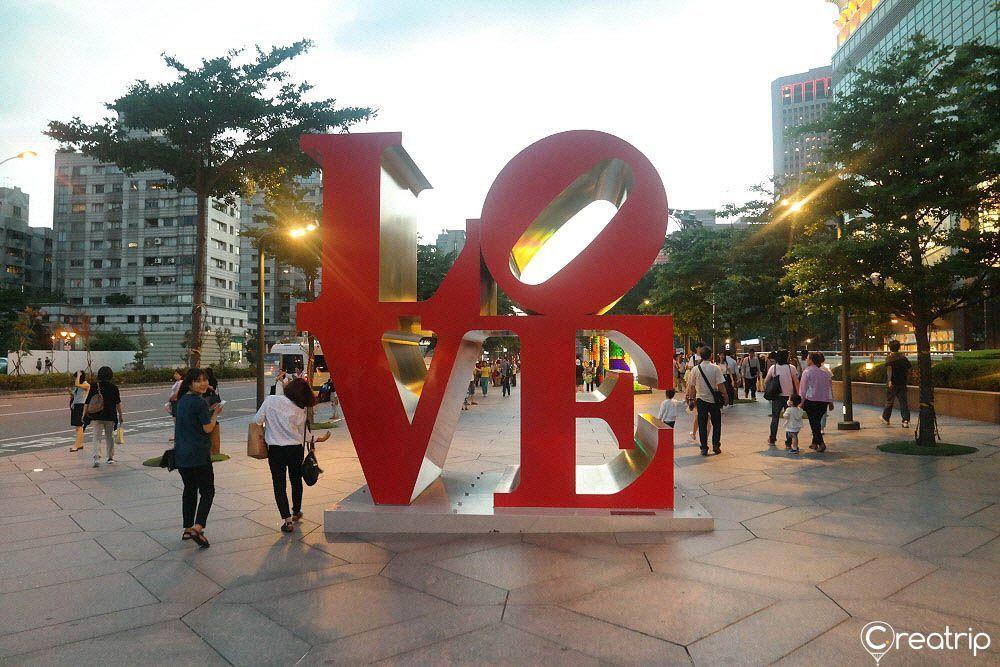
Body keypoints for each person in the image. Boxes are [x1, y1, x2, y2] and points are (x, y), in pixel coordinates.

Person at [253, 378, 331, 533]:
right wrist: (318, 439)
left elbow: (256, 421)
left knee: (279, 484)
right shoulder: (299, 410)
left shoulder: (271, 401)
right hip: (295, 450)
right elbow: (303, 435)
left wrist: (271, 426)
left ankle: (287, 520)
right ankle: (296, 511)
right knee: (296, 481)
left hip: (275, 450)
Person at [173, 368, 223, 548]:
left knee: (189, 489)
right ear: (190, 382)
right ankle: (198, 526)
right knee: (207, 491)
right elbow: (207, 429)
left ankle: (187, 528)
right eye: (198, 380)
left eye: (205, 380)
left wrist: (207, 413)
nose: (203, 383)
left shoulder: (182, 400)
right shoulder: (199, 402)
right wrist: (215, 413)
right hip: (199, 454)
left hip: (181, 454)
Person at [686, 346, 727, 455]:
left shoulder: (695, 369)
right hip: (714, 401)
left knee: (702, 424)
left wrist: (691, 399)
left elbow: (691, 387)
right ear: (711, 355)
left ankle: (704, 447)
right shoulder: (716, 368)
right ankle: (716, 445)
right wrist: (726, 396)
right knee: (716, 424)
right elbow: (721, 385)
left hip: (701, 400)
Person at [84, 366, 123, 467]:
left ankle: (97, 458)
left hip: (96, 415)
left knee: (96, 437)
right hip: (110, 415)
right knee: (109, 436)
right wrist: (120, 415)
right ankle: (110, 457)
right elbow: (117, 403)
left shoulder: (94, 386)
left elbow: (87, 401)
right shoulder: (114, 387)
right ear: (110, 375)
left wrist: (84, 414)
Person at [799, 351, 834, 452]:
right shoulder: (825, 373)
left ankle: (821, 443)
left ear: (811, 360)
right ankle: (814, 443)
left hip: (811, 400)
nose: (806, 360)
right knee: (817, 422)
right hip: (823, 401)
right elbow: (828, 388)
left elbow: (803, 389)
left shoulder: (807, 372)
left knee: (813, 423)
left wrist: (801, 402)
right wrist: (830, 401)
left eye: (808, 358)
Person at [763, 349, 799, 448]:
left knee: (775, 419)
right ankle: (788, 442)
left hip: (776, 397)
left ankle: (772, 438)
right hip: (789, 397)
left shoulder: (773, 368)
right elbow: (796, 382)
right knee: (789, 420)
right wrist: (799, 395)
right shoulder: (791, 368)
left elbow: (766, 381)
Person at [882, 339, 912, 428]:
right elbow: (909, 368)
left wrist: (889, 380)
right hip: (902, 382)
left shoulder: (889, 358)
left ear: (890, 348)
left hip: (893, 383)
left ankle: (886, 418)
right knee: (903, 402)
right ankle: (905, 420)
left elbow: (889, 370)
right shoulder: (903, 358)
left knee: (889, 401)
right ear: (899, 347)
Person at [69, 370, 90, 452]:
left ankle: (76, 446)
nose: (75, 379)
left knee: (79, 426)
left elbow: (77, 384)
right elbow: (74, 394)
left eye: (76, 377)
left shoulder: (86, 385)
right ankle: (80, 444)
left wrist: (78, 375)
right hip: (76, 406)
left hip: (81, 406)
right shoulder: (79, 386)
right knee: (77, 427)